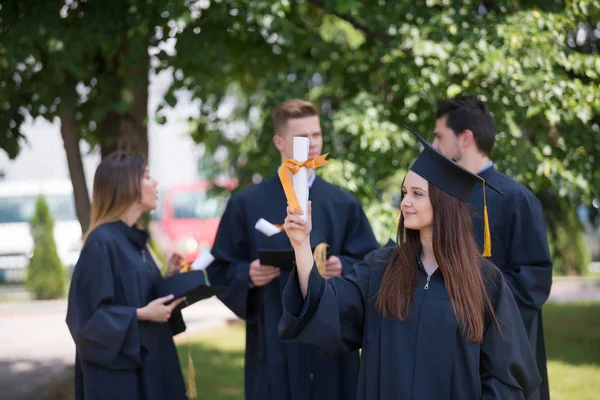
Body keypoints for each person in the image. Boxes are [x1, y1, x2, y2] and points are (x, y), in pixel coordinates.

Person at [278, 127, 542, 400]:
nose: (405, 202)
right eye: (404, 192)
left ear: (444, 203)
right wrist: (301, 245)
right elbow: (328, 308)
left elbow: (506, 376)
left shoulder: (485, 282)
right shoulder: (380, 268)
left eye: (417, 193)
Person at [207, 99, 380, 400]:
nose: (312, 144)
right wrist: (246, 274)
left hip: (331, 338)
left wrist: (344, 265)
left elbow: (370, 263)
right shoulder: (246, 204)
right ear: (279, 141)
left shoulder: (343, 203)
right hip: (274, 337)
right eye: (303, 137)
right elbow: (220, 266)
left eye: (316, 135)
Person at [432, 95, 553, 400]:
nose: (433, 147)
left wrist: (473, 301)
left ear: (465, 139)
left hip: (502, 354)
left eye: (438, 136)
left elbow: (533, 282)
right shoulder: (439, 198)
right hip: (449, 350)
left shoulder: (516, 199)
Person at [66, 152, 189, 400]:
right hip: (122, 381)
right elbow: (86, 321)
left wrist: (170, 277)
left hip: (153, 365)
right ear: (126, 186)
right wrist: (141, 314)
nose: (155, 183)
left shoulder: (136, 241)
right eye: (146, 176)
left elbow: (139, 295)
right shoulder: (101, 243)